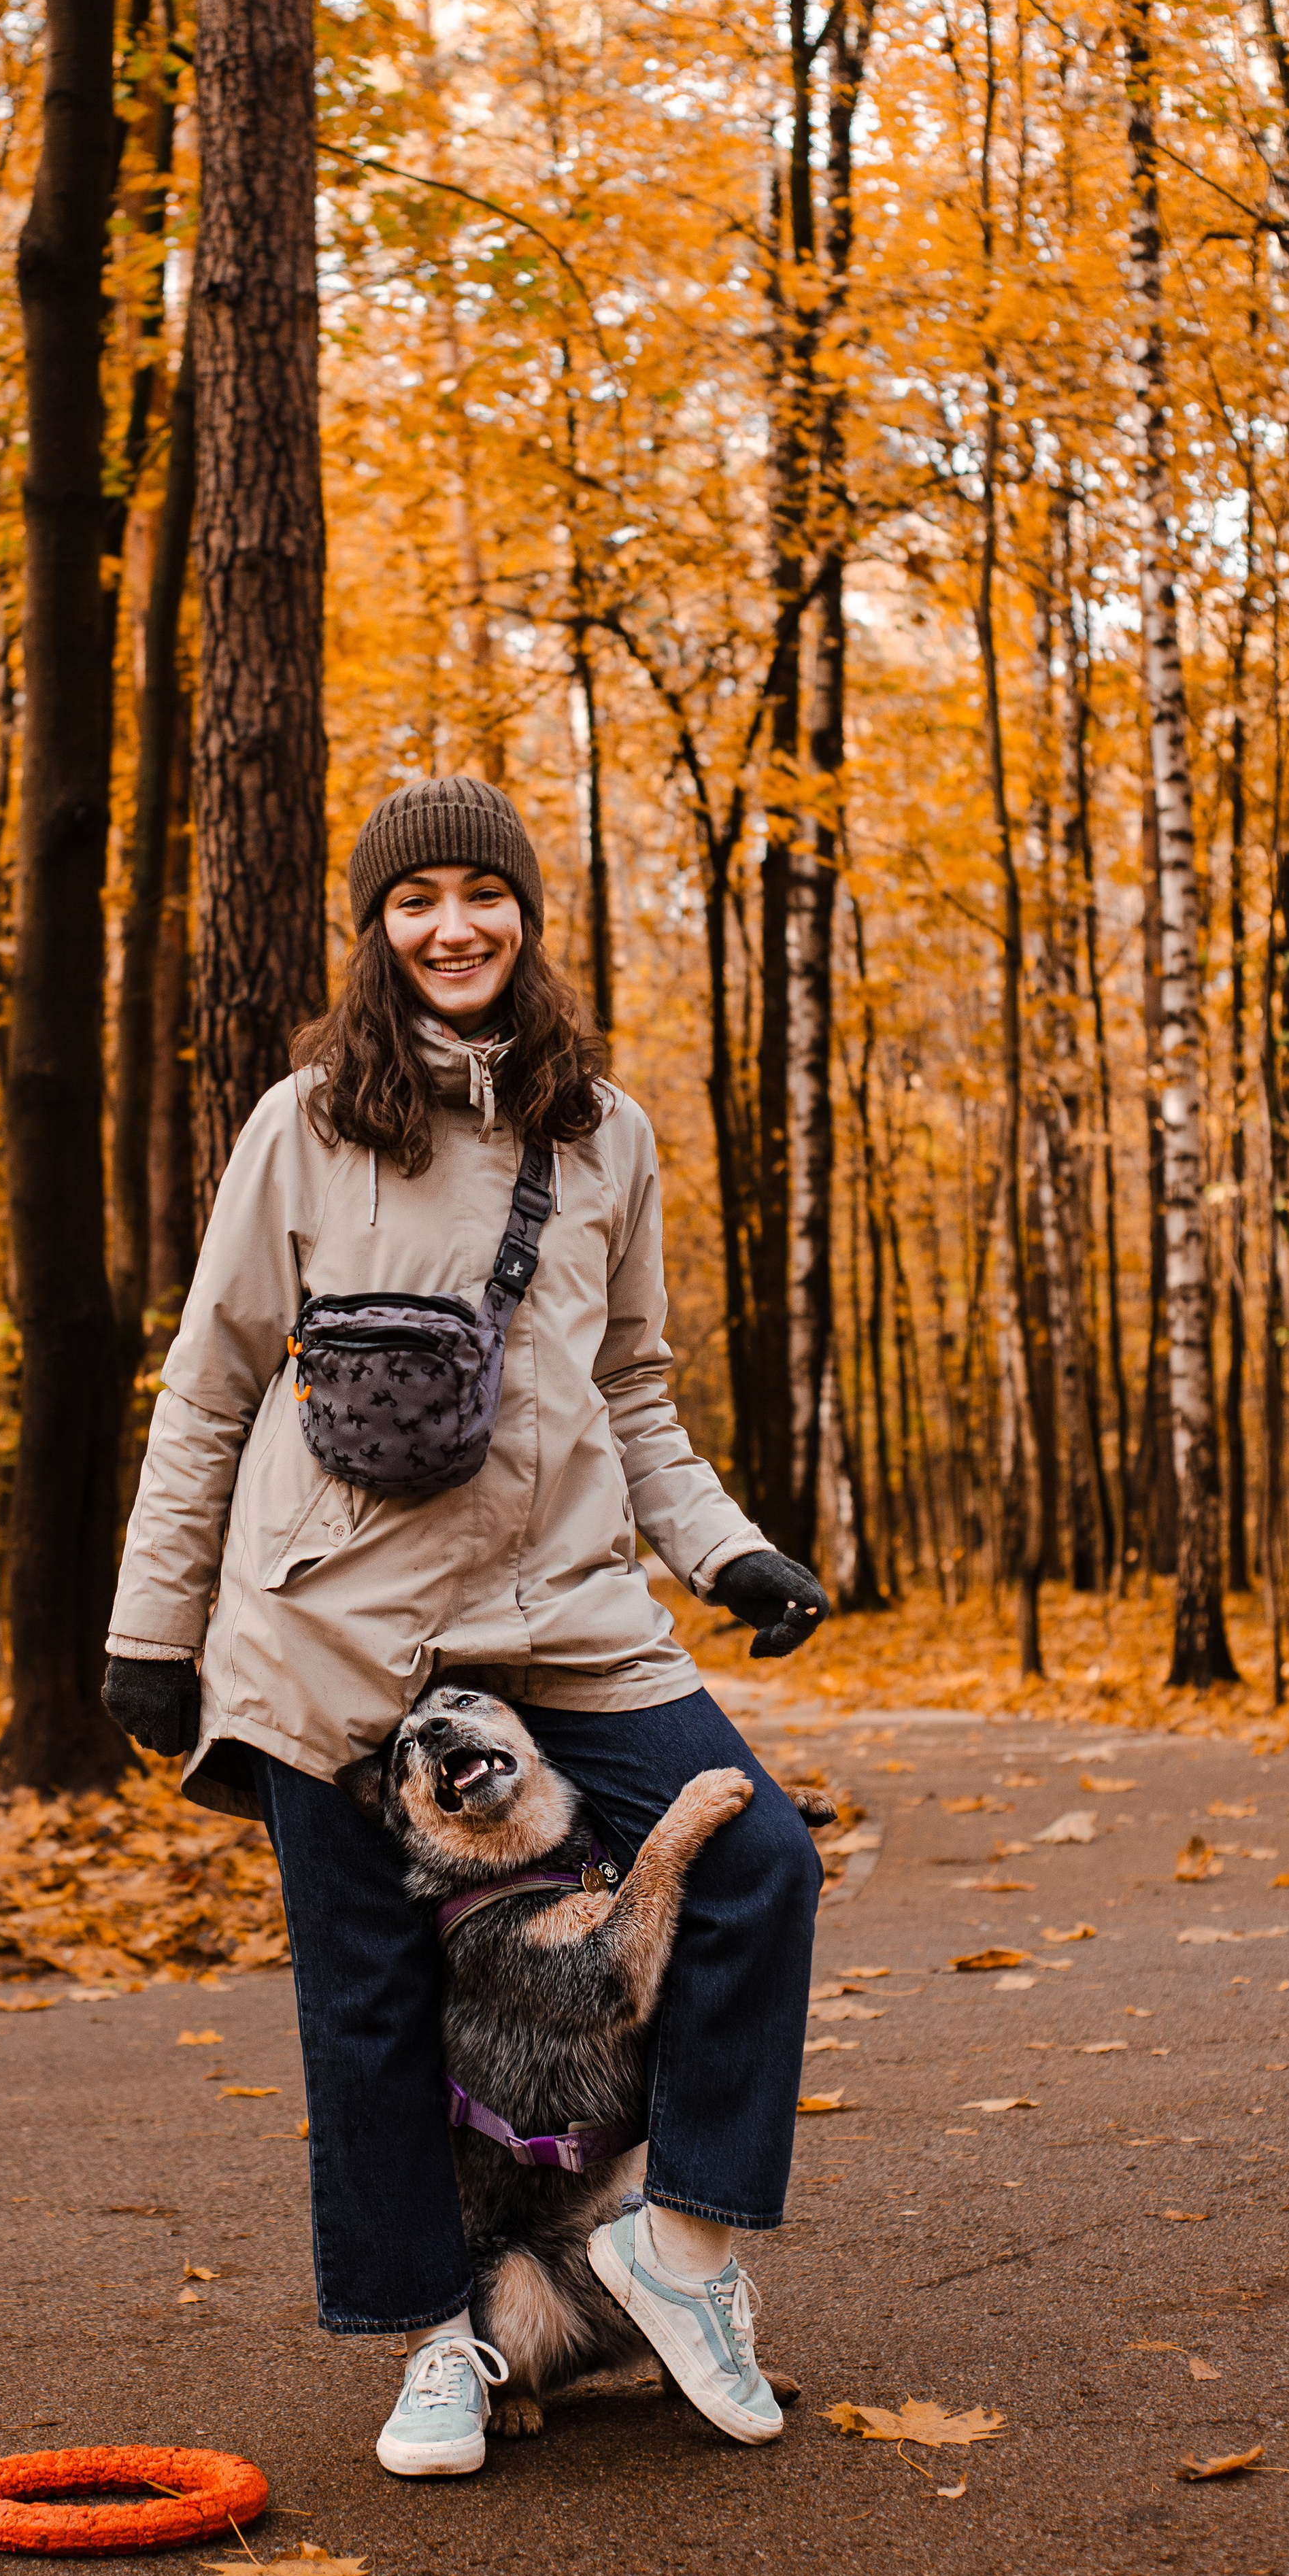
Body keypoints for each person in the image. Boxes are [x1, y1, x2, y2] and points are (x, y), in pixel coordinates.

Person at [103, 775, 832, 2477]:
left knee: (756, 1865)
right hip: (329, 1629)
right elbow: (209, 1389)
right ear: (376, 929)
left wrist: (727, 1554)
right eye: (414, 898)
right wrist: (155, 1623)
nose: (452, 926)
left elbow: (631, 1392)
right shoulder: (303, 1122)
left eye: (480, 894)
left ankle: (680, 2245)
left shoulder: (607, 1135)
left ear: (524, 915)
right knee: (363, 2001)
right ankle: (435, 2339)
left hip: (567, 1613)